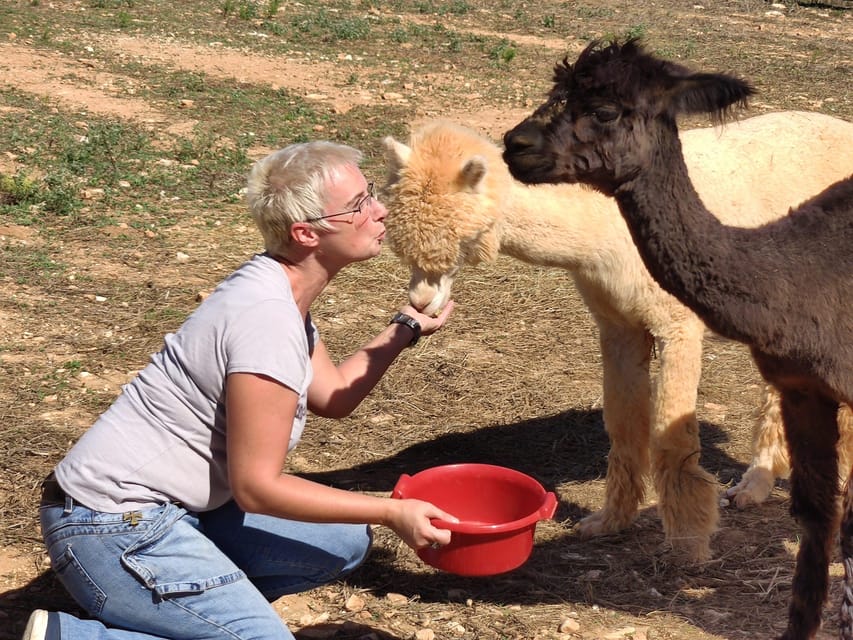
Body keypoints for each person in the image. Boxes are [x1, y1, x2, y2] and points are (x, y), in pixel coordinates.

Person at [23, 140, 457, 640]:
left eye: (371, 194)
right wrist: (391, 510)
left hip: (174, 511)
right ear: (306, 232)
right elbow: (257, 488)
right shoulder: (265, 319)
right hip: (111, 525)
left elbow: (334, 395)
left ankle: (195, 614)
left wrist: (405, 327)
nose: (379, 211)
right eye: (359, 204)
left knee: (344, 542)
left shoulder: (278, 287)